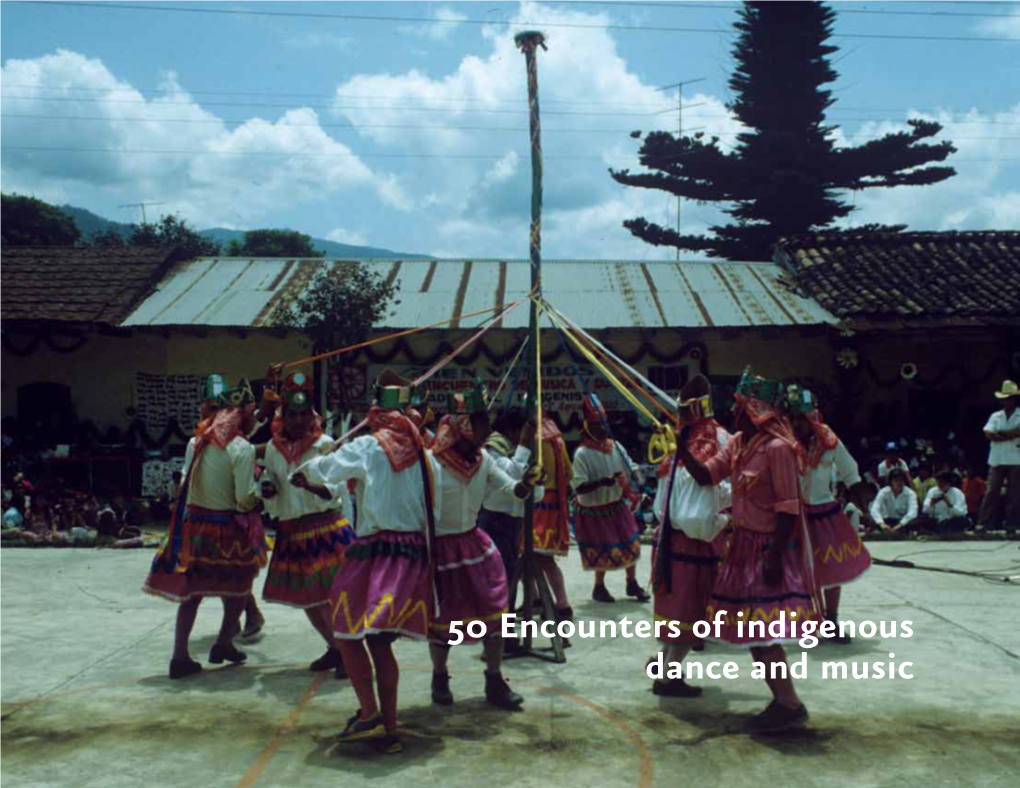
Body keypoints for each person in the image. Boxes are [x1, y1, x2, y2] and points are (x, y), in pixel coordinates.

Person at [294, 370, 439, 755]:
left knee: (345, 629)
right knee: (377, 641)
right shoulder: (426, 454)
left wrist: (305, 471)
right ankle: (385, 725)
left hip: (376, 551)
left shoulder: (368, 447)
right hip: (412, 554)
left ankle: (371, 712)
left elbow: (326, 470)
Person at [673, 370, 819, 732]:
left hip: (767, 549)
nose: (733, 413)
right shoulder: (739, 443)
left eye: (739, 406)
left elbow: (788, 508)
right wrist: (680, 446)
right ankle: (785, 702)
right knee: (756, 634)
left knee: (764, 634)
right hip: (743, 547)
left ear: (755, 409)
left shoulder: (779, 449)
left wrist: (772, 559)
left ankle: (789, 703)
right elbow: (707, 476)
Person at [142, 376, 267, 679]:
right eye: (250, 414)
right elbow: (243, 499)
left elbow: (187, 482)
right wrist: (263, 496)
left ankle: (180, 656)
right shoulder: (240, 448)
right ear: (240, 415)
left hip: (194, 526)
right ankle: (223, 643)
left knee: (192, 594)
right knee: (240, 589)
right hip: (225, 526)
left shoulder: (196, 441)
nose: (253, 420)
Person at [428, 384, 539, 710]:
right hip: (442, 549)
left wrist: (526, 483)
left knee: (497, 610)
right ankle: (439, 677)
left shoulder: (483, 458)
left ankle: (494, 678)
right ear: (463, 426)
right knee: (444, 618)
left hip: (475, 543)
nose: (488, 430)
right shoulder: (431, 463)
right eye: (480, 424)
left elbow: (511, 491)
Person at [257, 371, 355, 677]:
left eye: (303, 414)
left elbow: (337, 490)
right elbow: (269, 479)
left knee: (332, 598)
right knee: (308, 600)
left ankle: (347, 652)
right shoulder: (274, 447)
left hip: (325, 528)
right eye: (292, 415)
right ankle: (336, 649)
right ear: (283, 416)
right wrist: (268, 488)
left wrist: (310, 486)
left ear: (311, 414)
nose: (298, 421)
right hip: (291, 531)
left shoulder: (324, 444)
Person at [649, 374, 731, 697]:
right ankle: (668, 676)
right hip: (694, 542)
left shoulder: (676, 446)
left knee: (678, 613)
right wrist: (727, 523)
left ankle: (666, 667)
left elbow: (665, 503)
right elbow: (705, 505)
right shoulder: (716, 441)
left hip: (670, 538)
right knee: (689, 615)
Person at [786, 385, 871, 644]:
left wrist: (867, 513)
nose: (798, 423)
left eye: (803, 417)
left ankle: (831, 620)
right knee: (796, 571)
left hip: (825, 513)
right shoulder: (781, 441)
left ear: (813, 415)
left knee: (832, 569)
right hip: (792, 515)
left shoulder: (829, 440)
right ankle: (804, 623)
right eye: (793, 417)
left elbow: (851, 474)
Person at [571, 394, 649, 604]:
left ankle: (631, 583)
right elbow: (579, 486)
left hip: (616, 505)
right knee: (602, 549)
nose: (602, 428)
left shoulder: (615, 445)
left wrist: (640, 480)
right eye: (597, 424)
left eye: (604, 423)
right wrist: (601, 482)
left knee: (631, 542)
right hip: (594, 510)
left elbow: (630, 465)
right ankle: (599, 587)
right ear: (587, 425)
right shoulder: (582, 454)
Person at [478, 406, 535, 654]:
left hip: (514, 521)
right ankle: (495, 635)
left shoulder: (516, 448)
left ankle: (507, 633)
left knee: (510, 580)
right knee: (497, 582)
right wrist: (523, 446)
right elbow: (511, 480)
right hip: (495, 520)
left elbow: (530, 485)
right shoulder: (493, 448)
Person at [527, 403, 574, 628]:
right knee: (538, 556)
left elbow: (532, 471)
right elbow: (569, 471)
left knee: (537, 555)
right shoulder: (557, 435)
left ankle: (561, 603)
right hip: (555, 501)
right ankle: (537, 599)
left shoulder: (535, 437)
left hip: (538, 500)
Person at [977, 380, 1020, 531]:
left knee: (1014, 494)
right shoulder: (995, 416)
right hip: (997, 459)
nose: (1007, 401)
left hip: (1016, 459)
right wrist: (1010, 434)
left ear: (1014, 400)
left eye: (1010, 398)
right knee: (992, 491)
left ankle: (1012, 525)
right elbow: (988, 433)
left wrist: (1000, 434)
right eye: (1005, 398)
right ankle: (984, 524)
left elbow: (1017, 432)